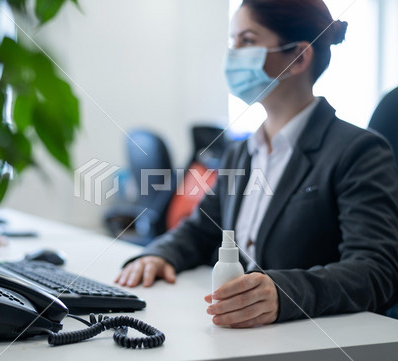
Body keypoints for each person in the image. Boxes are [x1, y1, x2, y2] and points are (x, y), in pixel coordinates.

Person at [115, 0, 398, 328]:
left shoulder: (357, 151)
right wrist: (158, 254)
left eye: (247, 41)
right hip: (237, 331)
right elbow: (202, 228)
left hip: (304, 338)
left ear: (298, 57)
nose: (233, 54)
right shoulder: (241, 151)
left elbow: (376, 270)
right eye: (232, 42)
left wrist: (284, 293)